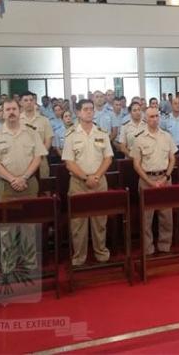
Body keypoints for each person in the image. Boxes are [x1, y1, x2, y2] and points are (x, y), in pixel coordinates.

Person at [62, 98, 114, 266]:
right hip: (78, 183)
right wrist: (85, 177)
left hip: (99, 180)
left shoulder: (101, 133)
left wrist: (97, 176)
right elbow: (69, 162)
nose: (89, 112)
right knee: (78, 223)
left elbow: (108, 157)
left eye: (91, 109)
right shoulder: (71, 134)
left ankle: (101, 254)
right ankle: (79, 257)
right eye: (85, 109)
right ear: (78, 112)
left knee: (100, 221)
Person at [131, 107, 177, 255]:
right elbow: (136, 164)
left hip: (164, 179)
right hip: (146, 180)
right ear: (146, 118)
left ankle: (165, 247)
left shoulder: (166, 136)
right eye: (151, 117)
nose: (155, 119)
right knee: (146, 218)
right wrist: (149, 182)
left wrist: (166, 177)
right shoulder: (139, 138)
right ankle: (148, 249)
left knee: (166, 217)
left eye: (157, 116)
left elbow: (172, 159)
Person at [0, 99, 47, 201]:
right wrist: (13, 180)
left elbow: (38, 157)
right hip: (5, 186)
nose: (11, 112)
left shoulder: (32, 132)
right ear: (3, 114)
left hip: (29, 184)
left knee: (32, 216)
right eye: (8, 109)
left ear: (20, 111)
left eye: (14, 109)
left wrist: (24, 178)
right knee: (6, 216)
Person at [20, 91, 53, 178]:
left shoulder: (44, 120)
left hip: (41, 160)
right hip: (23, 161)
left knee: (44, 187)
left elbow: (48, 140)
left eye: (31, 100)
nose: (29, 102)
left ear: (35, 102)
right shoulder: (17, 121)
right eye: (26, 100)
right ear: (21, 103)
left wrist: (40, 154)